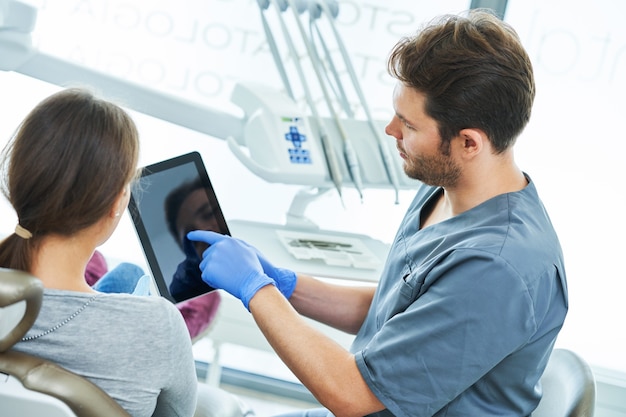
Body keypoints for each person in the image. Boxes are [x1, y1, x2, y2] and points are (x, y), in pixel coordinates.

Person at [187, 9, 569, 417]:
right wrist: (285, 284)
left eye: (409, 125)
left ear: (469, 143)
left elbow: (351, 394)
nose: (391, 130)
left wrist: (254, 290)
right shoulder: (445, 188)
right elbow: (395, 311)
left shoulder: (496, 268)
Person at [0, 87, 198, 417]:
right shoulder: (159, 326)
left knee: (127, 276)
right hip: (138, 335)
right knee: (144, 286)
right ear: (116, 202)